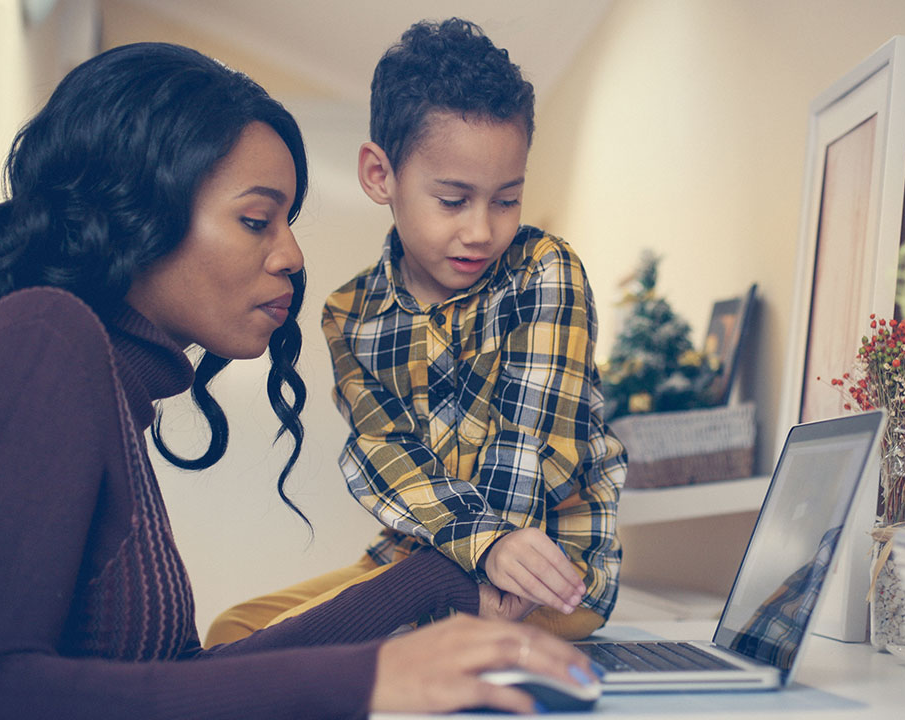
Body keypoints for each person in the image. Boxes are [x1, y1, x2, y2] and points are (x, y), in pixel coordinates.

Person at [0, 41, 596, 719]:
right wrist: (366, 679)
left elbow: (182, 682)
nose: (290, 255)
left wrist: (430, 581)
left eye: (287, 222)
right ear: (136, 211)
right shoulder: (40, 337)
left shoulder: (102, 385)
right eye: (257, 220)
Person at [206, 18, 627, 646]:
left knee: (274, 647)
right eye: (453, 200)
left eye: (506, 200)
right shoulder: (350, 313)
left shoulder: (545, 271)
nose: (482, 230)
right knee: (232, 629)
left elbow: (533, 452)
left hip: (544, 578)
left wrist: (488, 550)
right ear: (381, 176)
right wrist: (455, 554)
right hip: (418, 557)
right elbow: (384, 454)